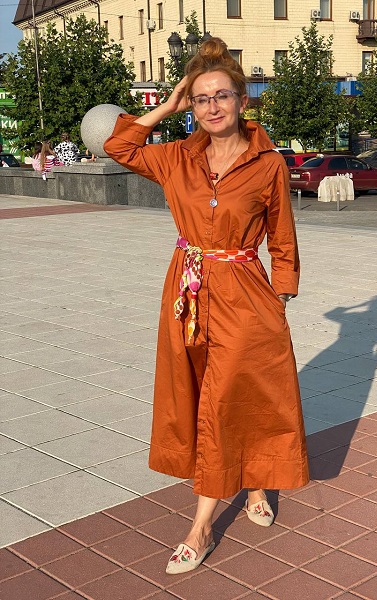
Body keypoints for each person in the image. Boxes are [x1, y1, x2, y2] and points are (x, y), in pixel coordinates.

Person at [104, 37, 309, 574]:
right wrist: (165, 107)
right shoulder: (176, 157)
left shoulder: (268, 163)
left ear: (242, 98)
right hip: (187, 291)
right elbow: (117, 146)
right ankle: (255, 481)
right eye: (201, 98)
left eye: (221, 95)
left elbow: (282, 236)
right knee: (202, 393)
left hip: (244, 291)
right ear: (190, 105)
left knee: (228, 396)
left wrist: (281, 294)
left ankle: (200, 528)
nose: (212, 106)